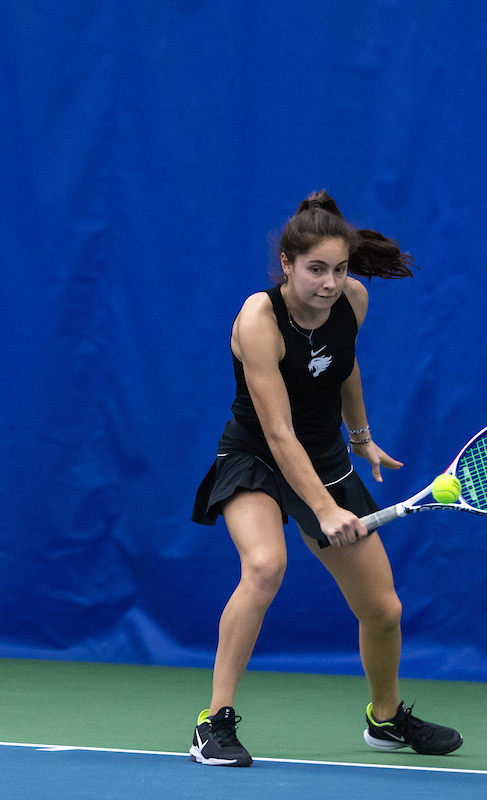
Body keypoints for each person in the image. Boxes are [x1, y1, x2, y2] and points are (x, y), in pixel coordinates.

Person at [188, 191, 462, 767]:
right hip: (258, 456)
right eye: (316, 269)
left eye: (338, 269)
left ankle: (384, 720)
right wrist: (326, 510)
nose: (331, 283)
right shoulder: (258, 318)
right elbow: (280, 433)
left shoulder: (352, 301)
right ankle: (213, 723)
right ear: (287, 264)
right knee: (265, 565)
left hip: (327, 457)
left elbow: (345, 368)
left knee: (383, 610)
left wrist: (362, 439)